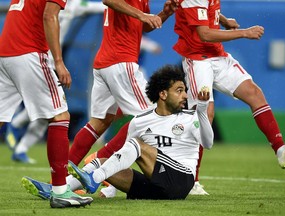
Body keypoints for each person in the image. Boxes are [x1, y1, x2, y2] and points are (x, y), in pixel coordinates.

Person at [21, 0, 178, 199]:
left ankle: (58, 183)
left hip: (106, 62)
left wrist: (164, 14)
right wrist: (142, 15)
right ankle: (100, 172)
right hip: (121, 62)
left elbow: (144, 26)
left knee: (100, 122)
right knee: (150, 118)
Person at [172, 0, 285, 193]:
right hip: (198, 59)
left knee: (254, 93)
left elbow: (204, 12)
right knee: (204, 114)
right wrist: (244, 33)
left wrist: (223, 19)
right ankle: (191, 179)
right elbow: (204, 33)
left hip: (217, 56)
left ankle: (280, 150)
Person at [68, 64, 214, 199]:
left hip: (181, 181)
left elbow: (208, 144)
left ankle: (95, 178)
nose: (185, 96)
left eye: (185, 91)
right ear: (163, 94)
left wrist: (201, 110)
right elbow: (123, 155)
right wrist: (111, 188)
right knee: (101, 162)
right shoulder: (140, 121)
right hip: (156, 185)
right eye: (179, 91)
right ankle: (61, 188)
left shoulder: (190, 118)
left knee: (136, 145)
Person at [0, 0, 93, 208]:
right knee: (59, 115)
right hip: (29, 52)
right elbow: (49, 16)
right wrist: (58, 62)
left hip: (5, 52)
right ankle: (60, 191)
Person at [5, 0, 106, 164]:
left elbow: (102, 5)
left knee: (50, 111)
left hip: (38, 57)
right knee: (57, 111)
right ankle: (59, 185)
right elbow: (48, 17)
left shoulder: (77, 4)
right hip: (40, 57)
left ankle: (21, 147)